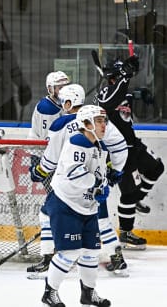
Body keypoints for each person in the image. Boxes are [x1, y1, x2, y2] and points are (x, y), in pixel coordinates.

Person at [29, 84, 129, 278]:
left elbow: (51, 160)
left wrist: (38, 172)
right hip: (96, 179)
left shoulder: (60, 124)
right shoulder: (97, 119)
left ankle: (49, 257)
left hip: (70, 183)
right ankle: (116, 257)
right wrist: (115, 171)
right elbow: (119, 146)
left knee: (46, 215)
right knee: (100, 217)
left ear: (68, 103)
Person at [40, 105, 111, 307]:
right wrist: (97, 185)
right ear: (86, 124)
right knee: (69, 253)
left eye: (103, 121)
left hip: (86, 206)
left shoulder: (98, 145)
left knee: (91, 251)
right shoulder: (78, 141)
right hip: (65, 204)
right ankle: (49, 293)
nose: (103, 125)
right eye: (98, 121)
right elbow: (75, 174)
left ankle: (88, 293)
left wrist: (103, 186)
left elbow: (98, 176)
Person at [96, 55, 164, 249]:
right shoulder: (104, 95)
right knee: (128, 194)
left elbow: (126, 96)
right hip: (117, 153)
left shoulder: (122, 90)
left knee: (156, 168)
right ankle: (126, 232)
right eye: (119, 77)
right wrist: (124, 77)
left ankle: (138, 200)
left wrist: (142, 93)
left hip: (134, 145)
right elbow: (110, 101)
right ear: (112, 78)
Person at [29, 71, 70, 140]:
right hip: (40, 148)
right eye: (60, 88)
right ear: (51, 89)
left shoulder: (61, 102)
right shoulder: (47, 108)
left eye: (66, 87)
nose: (64, 91)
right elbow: (47, 139)